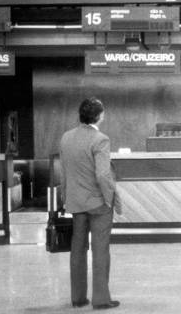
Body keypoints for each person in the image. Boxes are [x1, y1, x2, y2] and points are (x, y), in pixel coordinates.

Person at [60, 97, 121, 310]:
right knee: (100, 249)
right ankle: (101, 299)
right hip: (98, 204)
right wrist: (109, 199)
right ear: (100, 115)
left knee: (77, 249)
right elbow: (103, 175)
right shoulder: (101, 140)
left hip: (76, 202)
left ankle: (78, 298)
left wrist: (65, 197)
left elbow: (64, 172)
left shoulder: (66, 138)